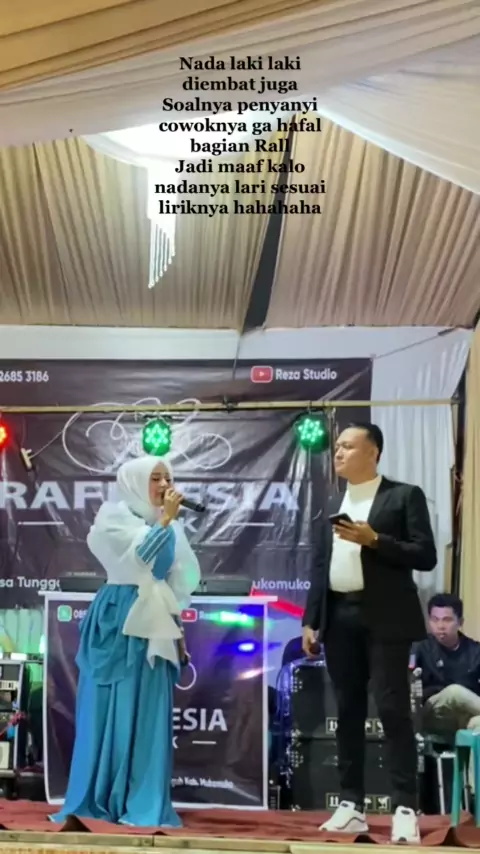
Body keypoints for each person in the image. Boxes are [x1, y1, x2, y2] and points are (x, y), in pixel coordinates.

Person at [302, 423, 437, 844]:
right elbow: (320, 564)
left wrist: (375, 539)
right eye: (337, 447)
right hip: (339, 616)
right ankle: (351, 805)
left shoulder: (403, 495)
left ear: (373, 451)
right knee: (347, 711)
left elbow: (425, 555)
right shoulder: (332, 501)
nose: (338, 453)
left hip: (386, 617)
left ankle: (405, 807)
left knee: (393, 709)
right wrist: (311, 619)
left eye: (348, 446)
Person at [51, 455, 201, 827]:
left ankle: (142, 801)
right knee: (109, 707)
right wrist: (165, 522)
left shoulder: (169, 525)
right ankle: (100, 796)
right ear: (134, 483)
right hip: (118, 617)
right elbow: (140, 560)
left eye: (167, 478)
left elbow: (169, 580)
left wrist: (178, 632)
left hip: (157, 622)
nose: (164, 485)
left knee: (149, 711)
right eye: (155, 478)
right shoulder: (111, 520)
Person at [415, 593, 480, 737]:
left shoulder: (475, 651)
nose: (440, 626)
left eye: (447, 620)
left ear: (460, 622)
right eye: (435, 620)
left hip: (464, 716)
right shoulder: (420, 648)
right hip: (434, 713)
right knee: (454, 692)